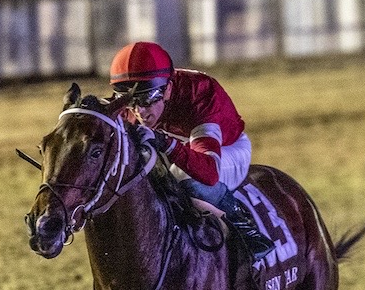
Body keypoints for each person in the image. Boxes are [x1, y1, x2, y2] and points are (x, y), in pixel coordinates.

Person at [109, 41, 275, 260]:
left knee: (186, 178)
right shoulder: (133, 107)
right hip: (180, 150)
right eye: (130, 101)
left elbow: (208, 172)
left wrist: (165, 142)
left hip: (226, 151)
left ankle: (246, 229)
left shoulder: (199, 93)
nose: (139, 112)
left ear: (167, 88)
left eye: (147, 99)